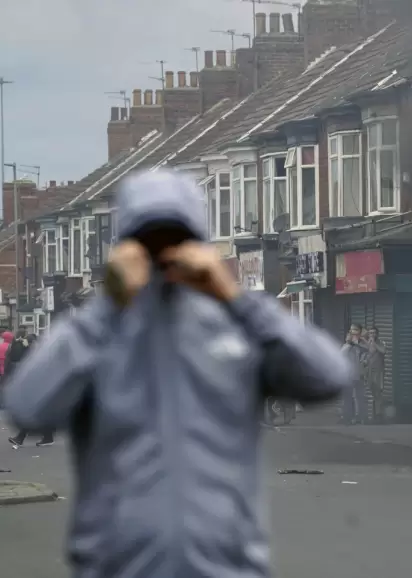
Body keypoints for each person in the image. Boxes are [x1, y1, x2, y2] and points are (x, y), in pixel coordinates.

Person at [3, 170, 352, 578]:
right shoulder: (97, 335)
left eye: (176, 240)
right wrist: (106, 307)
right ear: (123, 248)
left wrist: (235, 297)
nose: (161, 254)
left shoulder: (233, 327)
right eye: (146, 242)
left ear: (198, 244)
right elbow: (27, 408)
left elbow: (329, 376)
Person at [340, 323, 368, 424]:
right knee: (347, 397)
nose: (353, 332)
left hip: (359, 375)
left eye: (355, 330)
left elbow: (368, 350)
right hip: (348, 375)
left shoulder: (362, 344)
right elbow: (342, 354)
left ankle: (360, 417)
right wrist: (350, 343)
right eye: (351, 330)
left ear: (360, 332)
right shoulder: (347, 345)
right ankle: (347, 416)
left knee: (359, 397)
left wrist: (360, 340)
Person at [365, 326, 387, 422]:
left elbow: (383, 351)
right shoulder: (367, 344)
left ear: (377, 334)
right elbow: (367, 357)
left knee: (378, 393)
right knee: (373, 393)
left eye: (374, 333)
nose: (372, 335)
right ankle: (373, 415)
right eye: (370, 333)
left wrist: (374, 343)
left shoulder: (381, 343)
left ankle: (379, 416)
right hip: (370, 372)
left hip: (378, 372)